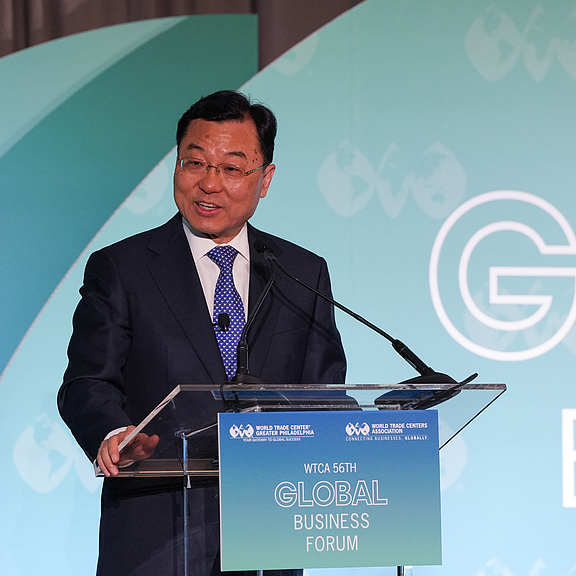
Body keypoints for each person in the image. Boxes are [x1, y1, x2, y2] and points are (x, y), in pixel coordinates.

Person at [58, 90, 346, 576]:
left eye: (231, 168)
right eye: (194, 163)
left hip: (271, 531)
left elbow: (323, 393)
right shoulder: (123, 269)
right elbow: (87, 382)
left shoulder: (300, 271)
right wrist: (115, 433)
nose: (209, 183)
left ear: (265, 179)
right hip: (156, 532)